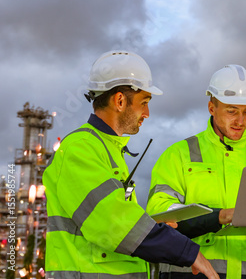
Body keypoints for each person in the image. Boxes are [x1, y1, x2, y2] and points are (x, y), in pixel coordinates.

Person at [43, 51, 219, 279]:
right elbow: (113, 223)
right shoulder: (80, 149)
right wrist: (188, 252)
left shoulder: (109, 149)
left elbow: (118, 218)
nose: (147, 113)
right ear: (119, 101)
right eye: (144, 102)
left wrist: (154, 228)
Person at [147, 64, 246, 278]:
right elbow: (160, 215)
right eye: (232, 111)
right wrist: (219, 216)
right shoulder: (178, 155)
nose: (240, 121)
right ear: (211, 108)